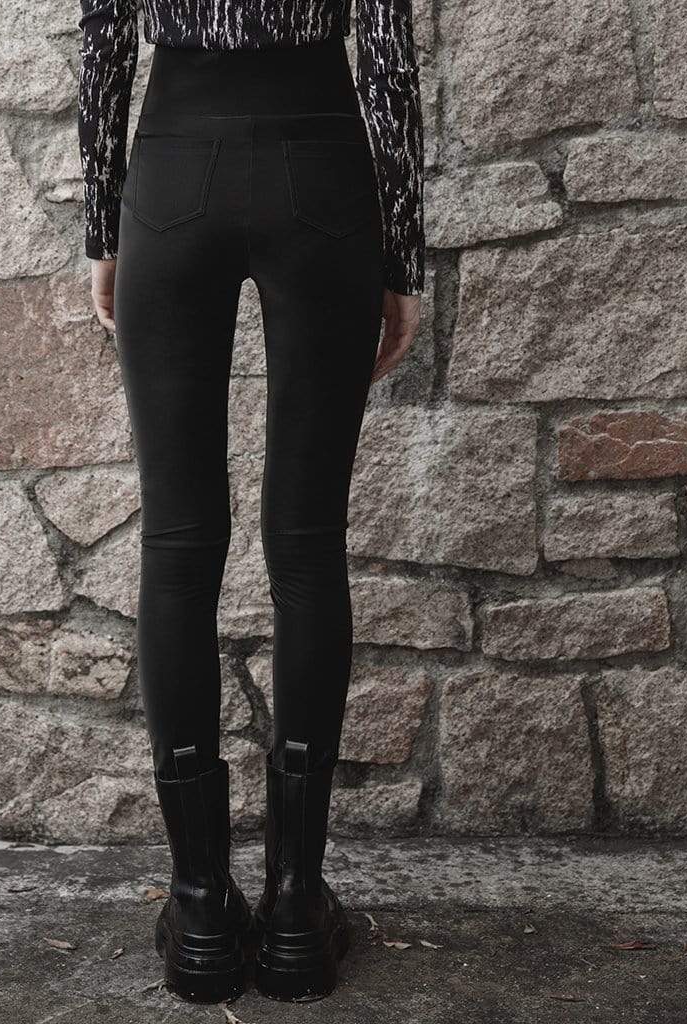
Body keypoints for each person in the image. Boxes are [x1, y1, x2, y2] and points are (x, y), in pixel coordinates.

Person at [77, 0, 424, 1003]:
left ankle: (198, 909)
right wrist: (401, 252)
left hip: (173, 167)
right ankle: (295, 910)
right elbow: (388, 57)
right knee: (307, 547)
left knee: (178, 544)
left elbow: (103, 39)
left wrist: (101, 226)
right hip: (321, 167)